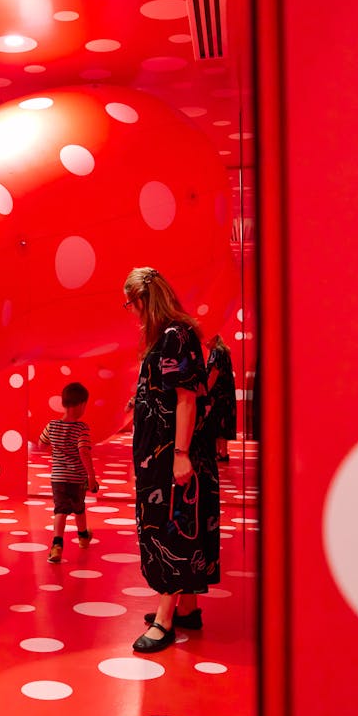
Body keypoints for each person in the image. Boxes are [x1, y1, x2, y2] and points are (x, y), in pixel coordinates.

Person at [123, 267, 220, 653]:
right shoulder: (173, 335)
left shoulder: (172, 336)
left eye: (130, 303)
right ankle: (188, 608)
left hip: (170, 456)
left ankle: (165, 620)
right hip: (160, 455)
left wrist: (180, 454)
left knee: (170, 529)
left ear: (144, 300)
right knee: (180, 526)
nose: (131, 311)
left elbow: (185, 398)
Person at [39, 381, 99, 563]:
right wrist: (91, 476)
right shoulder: (82, 428)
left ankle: (57, 546)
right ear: (81, 404)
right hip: (77, 478)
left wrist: (57, 453)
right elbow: (84, 451)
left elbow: (41, 445)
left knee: (60, 511)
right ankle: (82, 538)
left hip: (58, 478)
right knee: (79, 509)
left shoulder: (52, 425)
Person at [206, 334, 237, 460]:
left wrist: (205, 391)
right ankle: (222, 452)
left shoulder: (216, 352)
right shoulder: (223, 352)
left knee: (217, 423)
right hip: (226, 394)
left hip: (218, 395)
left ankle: (220, 453)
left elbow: (214, 372)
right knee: (223, 423)